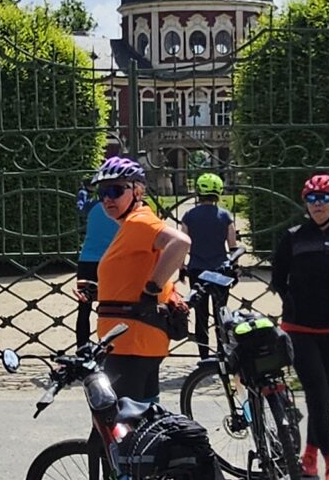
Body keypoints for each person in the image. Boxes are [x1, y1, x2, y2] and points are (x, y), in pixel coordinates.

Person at [272, 172, 329, 480]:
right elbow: (278, 278)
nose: (317, 205)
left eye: (324, 199)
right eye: (311, 199)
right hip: (300, 328)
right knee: (317, 393)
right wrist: (293, 303)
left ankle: (309, 454)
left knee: (322, 398)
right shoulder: (293, 237)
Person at [90, 155, 188, 402]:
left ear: (138, 191)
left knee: (118, 419)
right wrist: (101, 291)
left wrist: (151, 290)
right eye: (102, 193)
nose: (107, 199)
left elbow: (181, 242)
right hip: (134, 340)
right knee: (143, 415)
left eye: (115, 190)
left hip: (130, 342)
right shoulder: (132, 224)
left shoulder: (139, 221)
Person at [72, 151, 126, 350]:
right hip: (111, 261)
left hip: (87, 260)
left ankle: (82, 348)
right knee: (112, 307)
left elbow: (80, 207)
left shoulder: (93, 207)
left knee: (84, 308)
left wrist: (82, 191)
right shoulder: (120, 211)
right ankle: (112, 347)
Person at [180, 172, 237, 355]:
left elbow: (182, 244)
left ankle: (204, 355)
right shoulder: (225, 216)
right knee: (221, 314)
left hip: (197, 269)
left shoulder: (189, 216)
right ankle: (222, 353)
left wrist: (181, 267)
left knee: (201, 315)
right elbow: (232, 245)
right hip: (220, 269)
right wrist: (235, 268)